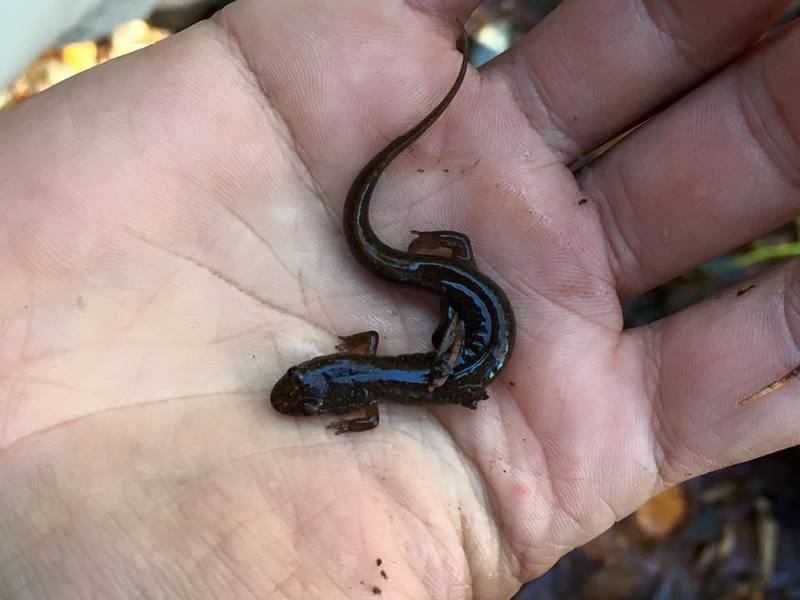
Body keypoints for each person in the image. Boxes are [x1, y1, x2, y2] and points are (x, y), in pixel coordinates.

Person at [1, 0, 798, 597]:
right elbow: (371, 390)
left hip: (467, 316)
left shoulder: (392, 386)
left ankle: (433, 281)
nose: (307, 388)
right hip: (468, 316)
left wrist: (417, 331)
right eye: (307, 392)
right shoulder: (377, 383)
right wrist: (397, 335)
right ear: (325, 382)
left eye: (309, 387)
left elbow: (376, 397)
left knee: (430, 306)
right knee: (423, 296)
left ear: (328, 376)